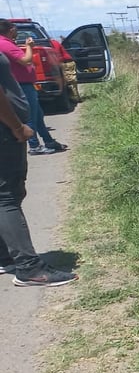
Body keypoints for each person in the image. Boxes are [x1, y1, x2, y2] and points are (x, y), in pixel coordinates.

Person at [0, 52, 78, 287]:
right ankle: (29, 268)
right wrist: (16, 126)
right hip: (5, 130)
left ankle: (6, 256)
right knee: (7, 198)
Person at [0, 19, 67, 155]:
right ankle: (34, 146)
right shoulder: (4, 44)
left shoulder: (6, 43)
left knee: (38, 116)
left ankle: (48, 141)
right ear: (11, 29)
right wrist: (29, 46)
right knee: (30, 116)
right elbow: (25, 60)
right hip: (22, 85)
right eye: (15, 29)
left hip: (24, 84)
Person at [53, 36, 80, 102]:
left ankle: (74, 97)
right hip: (67, 62)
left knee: (69, 81)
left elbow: (57, 55)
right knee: (71, 81)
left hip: (65, 63)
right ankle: (75, 97)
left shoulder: (52, 43)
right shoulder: (55, 42)